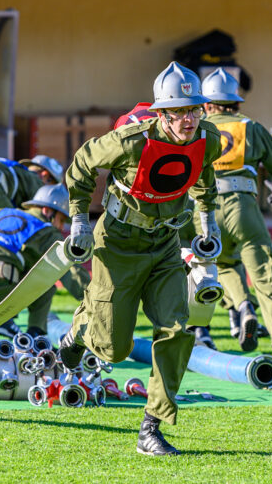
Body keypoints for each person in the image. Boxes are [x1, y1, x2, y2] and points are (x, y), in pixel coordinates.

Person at [60, 61, 223, 456]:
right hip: (117, 244)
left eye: (194, 109)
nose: (188, 119)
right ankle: (81, 328)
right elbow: (81, 164)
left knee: (177, 328)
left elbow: (204, 176)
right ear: (162, 113)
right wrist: (79, 219)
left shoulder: (208, 138)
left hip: (165, 244)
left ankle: (151, 427)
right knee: (114, 348)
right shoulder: (131, 141)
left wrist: (208, 220)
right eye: (179, 111)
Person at [200, 67, 272, 375]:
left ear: (207, 104)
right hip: (243, 207)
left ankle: (242, 306)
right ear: (236, 102)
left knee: (221, 264)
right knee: (267, 278)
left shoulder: (196, 129)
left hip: (204, 211)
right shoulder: (251, 127)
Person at [0, 184, 90, 337]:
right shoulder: (47, 230)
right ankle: (35, 335)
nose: (61, 227)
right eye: (61, 220)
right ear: (47, 211)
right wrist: (95, 298)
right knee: (46, 282)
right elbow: (72, 273)